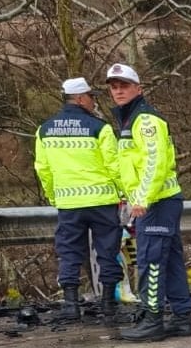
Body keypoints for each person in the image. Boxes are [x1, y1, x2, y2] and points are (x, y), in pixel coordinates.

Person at [107, 63, 191, 341]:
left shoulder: (144, 120)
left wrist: (142, 198)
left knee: (151, 261)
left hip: (156, 202)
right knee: (170, 262)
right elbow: (130, 167)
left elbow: (155, 161)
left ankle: (152, 319)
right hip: (155, 202)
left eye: (124, 85)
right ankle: (181, 318)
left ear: (138, 88)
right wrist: (128, 197)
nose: (118, 91)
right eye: (113, 86)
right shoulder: (129, 120)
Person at [33, 77, 124, 325]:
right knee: (107, 251)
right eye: (92, 97)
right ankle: (108, 304)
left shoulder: (45, 130)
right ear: (81, 98)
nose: (94, 102)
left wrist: (54, 195)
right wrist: (123, 192)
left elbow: (43, 169)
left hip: (68, 204)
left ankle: (71, 305)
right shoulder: (100, 128)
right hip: (102, 201)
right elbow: (114, 166)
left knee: (69, 253)